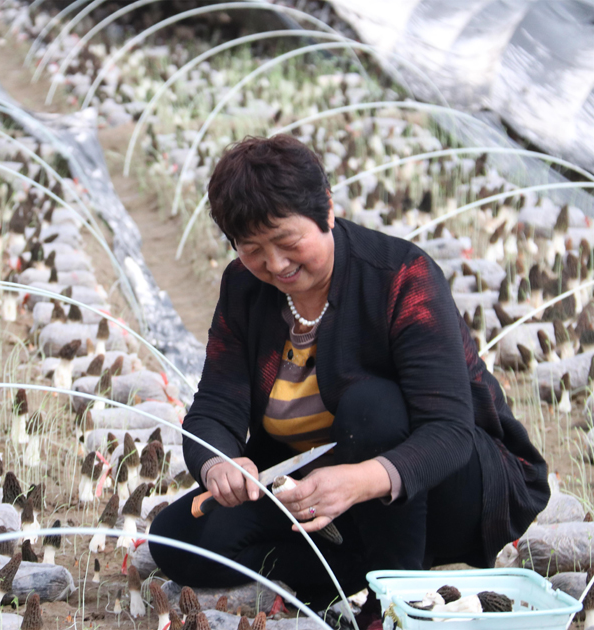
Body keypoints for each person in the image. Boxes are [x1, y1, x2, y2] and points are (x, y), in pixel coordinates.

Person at [149, 135, 549, 626]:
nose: (275, 264)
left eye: (287, 241)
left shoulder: (402, 276)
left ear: (328, 212)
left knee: (370, 406)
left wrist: (359, 481)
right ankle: (343, 573)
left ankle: (395, 606)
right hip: (318, 480)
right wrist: (219, 465)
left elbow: (449, 431)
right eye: (252, 248)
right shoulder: (244, 286)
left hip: (447, 480)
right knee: (177, 539)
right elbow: (215, 403)